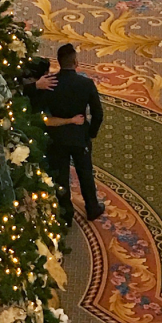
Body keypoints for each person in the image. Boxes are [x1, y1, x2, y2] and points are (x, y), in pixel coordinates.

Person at [32, 43, 105, 225]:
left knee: (61, 176)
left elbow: (37, 109)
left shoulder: (50, 84)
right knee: (85, 173)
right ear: (76, 62)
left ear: (59, 62)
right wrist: (90, 132)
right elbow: (98, 113)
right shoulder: (86, 84)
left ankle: (66, 214)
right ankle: (92, 208)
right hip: (80, 135)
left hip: (56, 137)